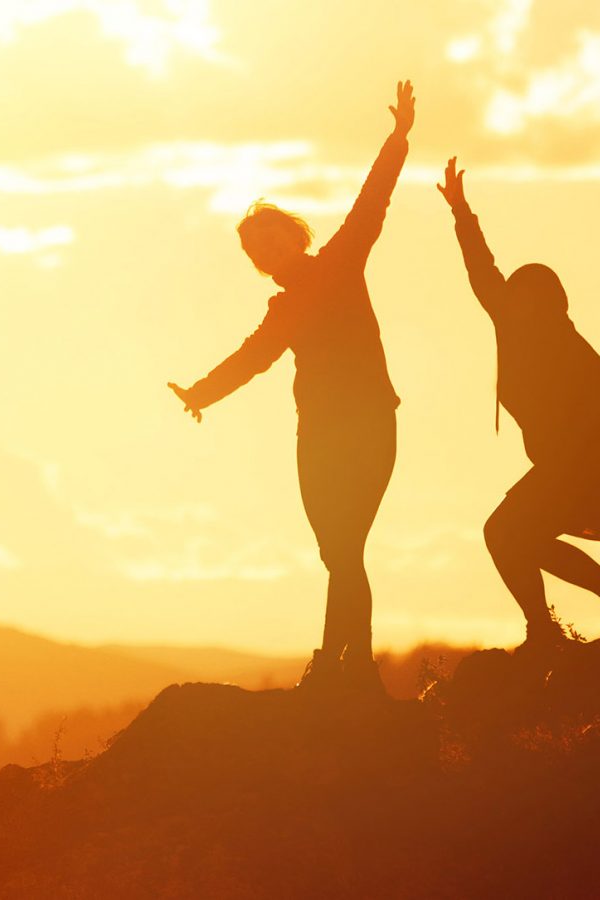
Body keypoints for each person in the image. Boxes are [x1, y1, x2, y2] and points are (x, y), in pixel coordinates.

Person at [168, 82, 415, 691]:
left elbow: (371, 203)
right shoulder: (283, 312)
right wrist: (200, 394)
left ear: (295, 238)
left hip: (370, 425)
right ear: (258, 262)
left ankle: (342, 664)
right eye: (257, 247)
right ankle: (350, 663)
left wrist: (398, 137)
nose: (267, 249)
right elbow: (251, 359)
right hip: (318, 437)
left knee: (347, 544)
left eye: (273, 237)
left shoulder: (338, 262)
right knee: (338, 553)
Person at [436, 157, 600, 651]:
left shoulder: (574, 353)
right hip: (563, 463)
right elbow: (482, 269)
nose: (520, 304)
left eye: (533, 298)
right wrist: (460, 210)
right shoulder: (510, 326)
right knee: (522, 539)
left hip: (589, 463)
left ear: (553, 303)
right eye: (516, 297)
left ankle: (552, 628)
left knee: (504, 533)